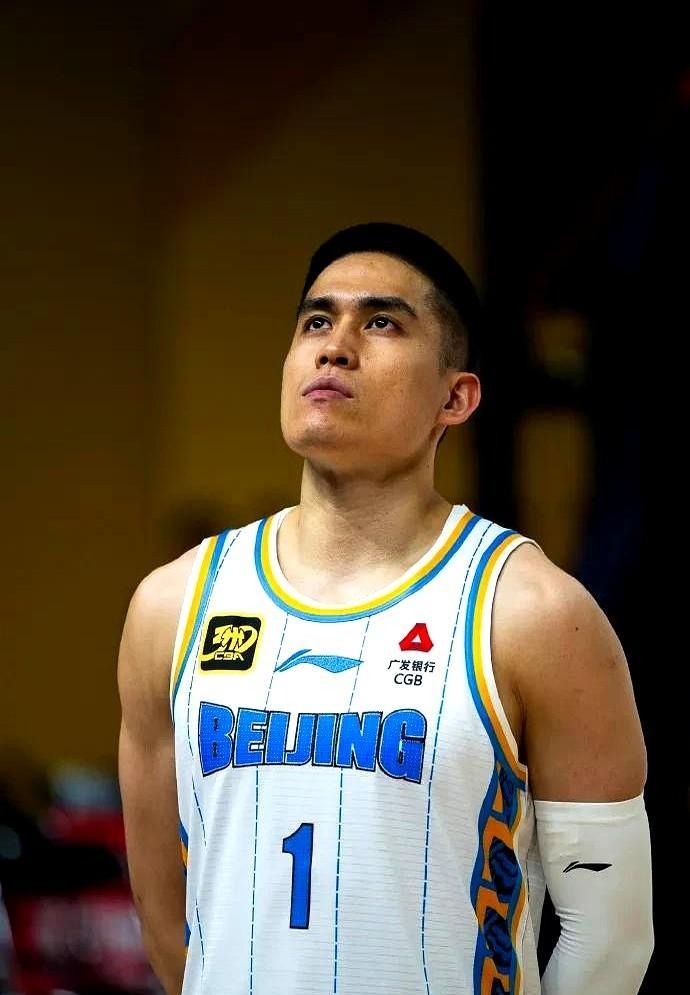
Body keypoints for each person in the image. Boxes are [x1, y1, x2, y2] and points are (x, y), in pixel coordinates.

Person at [117, 223, 653, 995]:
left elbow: (610, 940)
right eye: (315, 321)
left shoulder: (536, 614)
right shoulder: (171, 606)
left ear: (455, 397)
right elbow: (171, 928)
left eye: (380, 323)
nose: (334, 347)